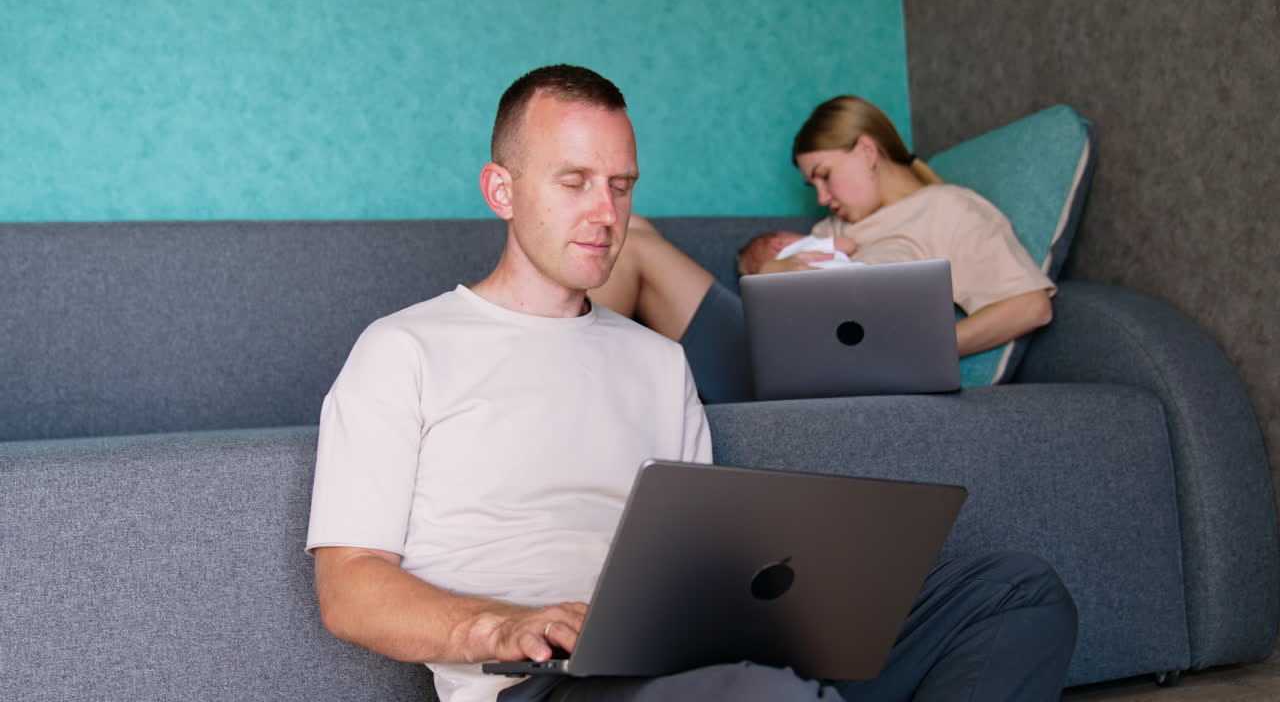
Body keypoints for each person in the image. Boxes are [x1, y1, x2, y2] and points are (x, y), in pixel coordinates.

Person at [306, 65, 1077, 702]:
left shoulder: (655, 361)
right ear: (501, 191)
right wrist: (499, 628)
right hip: (551, 686)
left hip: (697, 651)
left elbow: (703, 556)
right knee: (759, 695)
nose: (603, 212)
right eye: (573, 181)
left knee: (1017, 591)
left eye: (620, 185)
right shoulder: (404, 348)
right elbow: (349, 589)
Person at [590, 96, 1055, 404]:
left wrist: (927, 350)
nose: (820, 197)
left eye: (825, 175)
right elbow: (756, 270)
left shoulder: (946, 209)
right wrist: (775, 268)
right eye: (812, 183)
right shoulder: (834, 226)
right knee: (637, 226)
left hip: (810, 378)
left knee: (628, 241)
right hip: (770, 349)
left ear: (868, 151)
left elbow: (1030, 307)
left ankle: (573, 393)